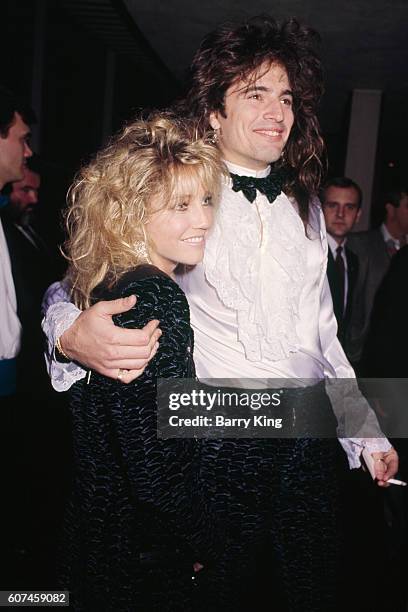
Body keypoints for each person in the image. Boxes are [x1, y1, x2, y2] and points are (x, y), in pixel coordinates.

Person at [43, 16, 398, 611]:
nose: (276, 111)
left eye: (285, 97)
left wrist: (365, 435)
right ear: (213, 111)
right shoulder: (183, 198)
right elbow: (79, 278)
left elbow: (324, 340)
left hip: (305, 444)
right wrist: (68, 332)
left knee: (314, 588)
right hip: (217, 446)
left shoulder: (306, 212)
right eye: (254, 93)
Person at [57, 113, 223, 610]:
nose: (204, 220)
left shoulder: (109, 283)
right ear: (130, 213)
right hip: (138, 553)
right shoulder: (154, 296)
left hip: (99, 532)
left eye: (207, 200)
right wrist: (204, 539)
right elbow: (156, 468)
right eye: (181, 205)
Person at [320, 177, 365, 367]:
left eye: (349, 207)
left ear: (358, 215)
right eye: (332, 205)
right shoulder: (311, 254)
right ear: (320, 209)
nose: (340, 214)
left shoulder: (353, 260)